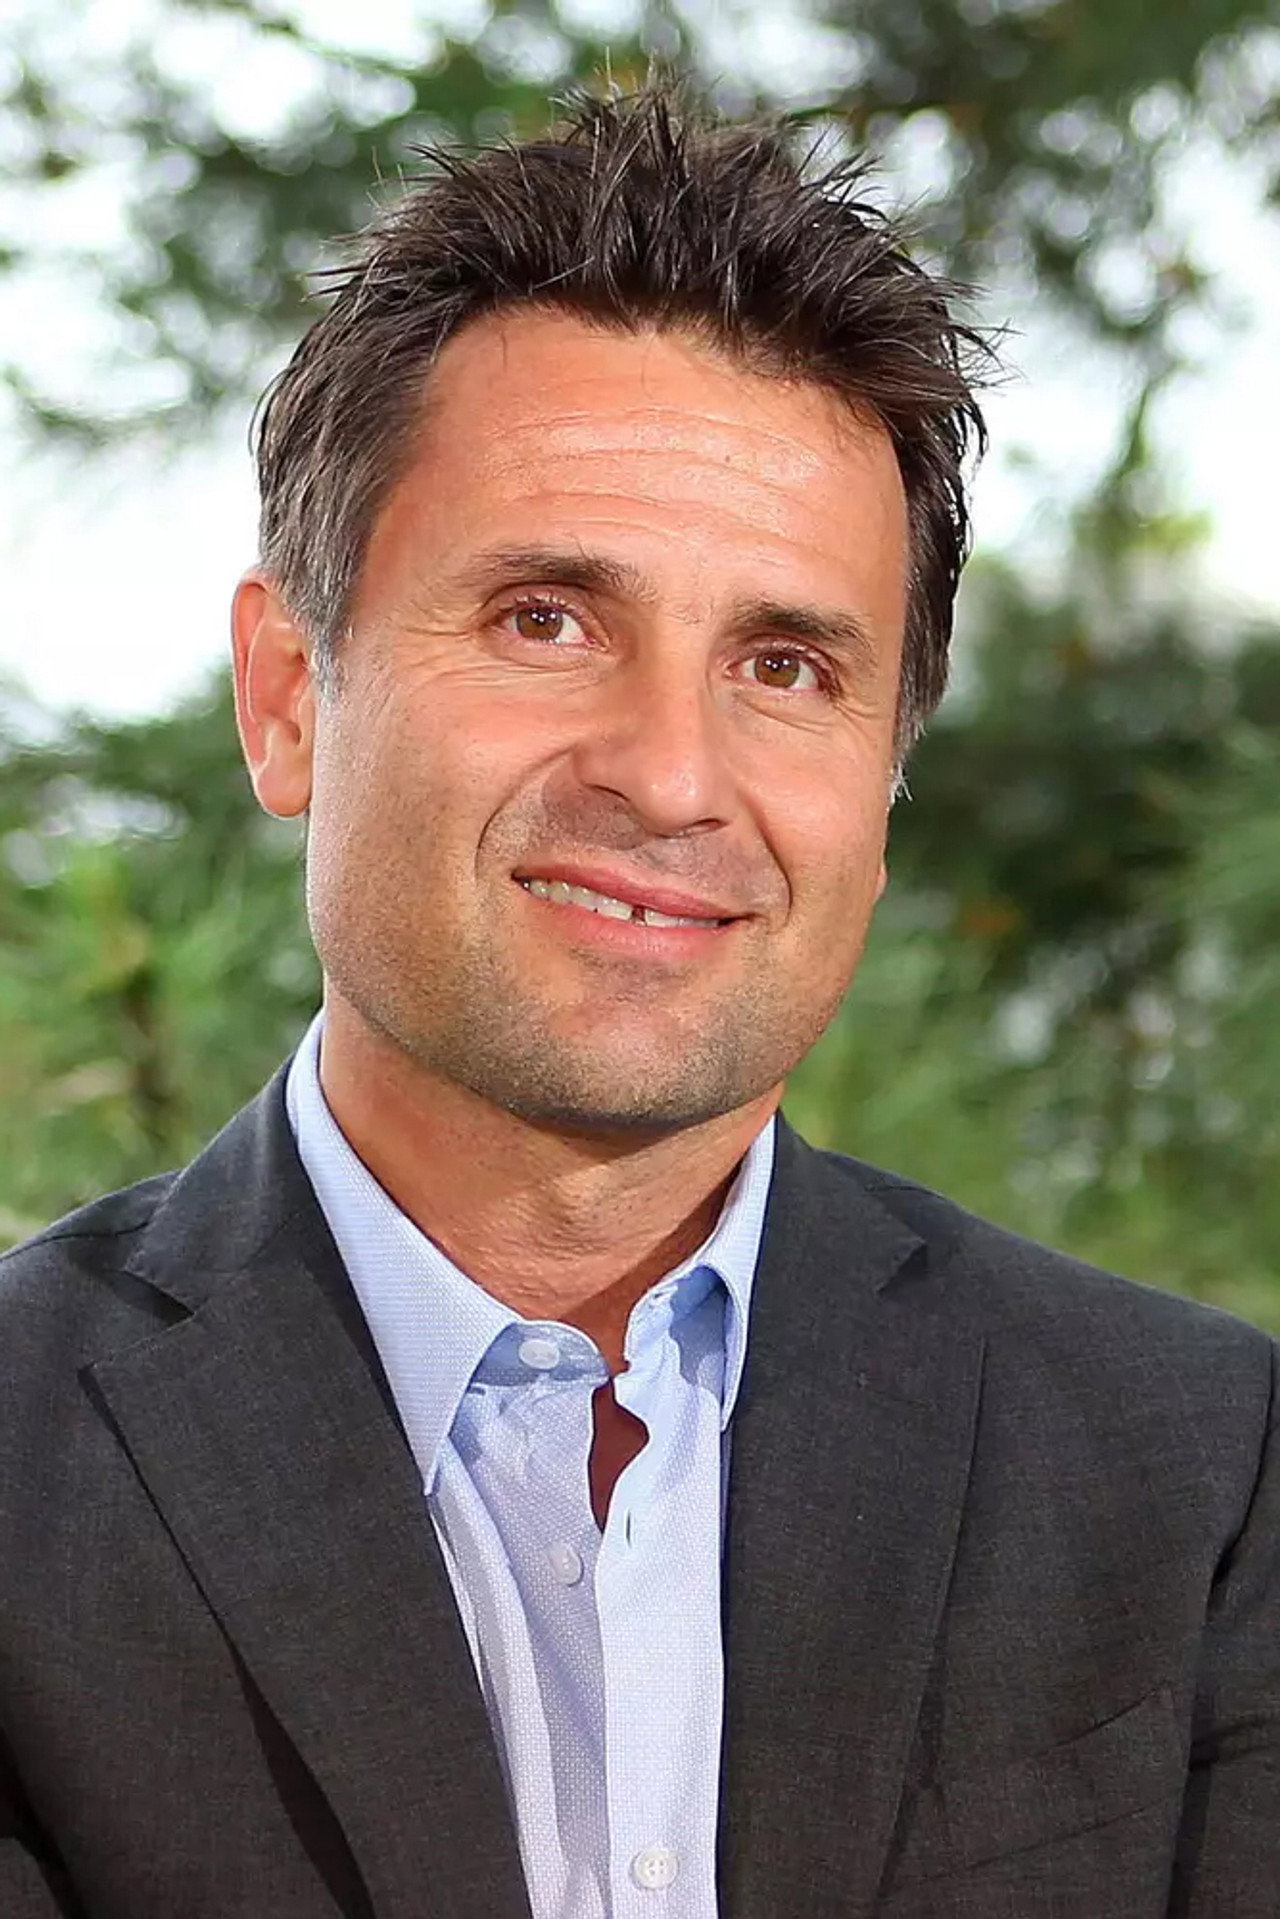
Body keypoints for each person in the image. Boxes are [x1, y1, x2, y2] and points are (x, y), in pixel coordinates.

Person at [1, 81, 1277, 1919]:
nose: (674, 775)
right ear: (287, 697)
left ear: (885, 786)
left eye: (787, 664)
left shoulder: (1206, 1475)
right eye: (547, 618)